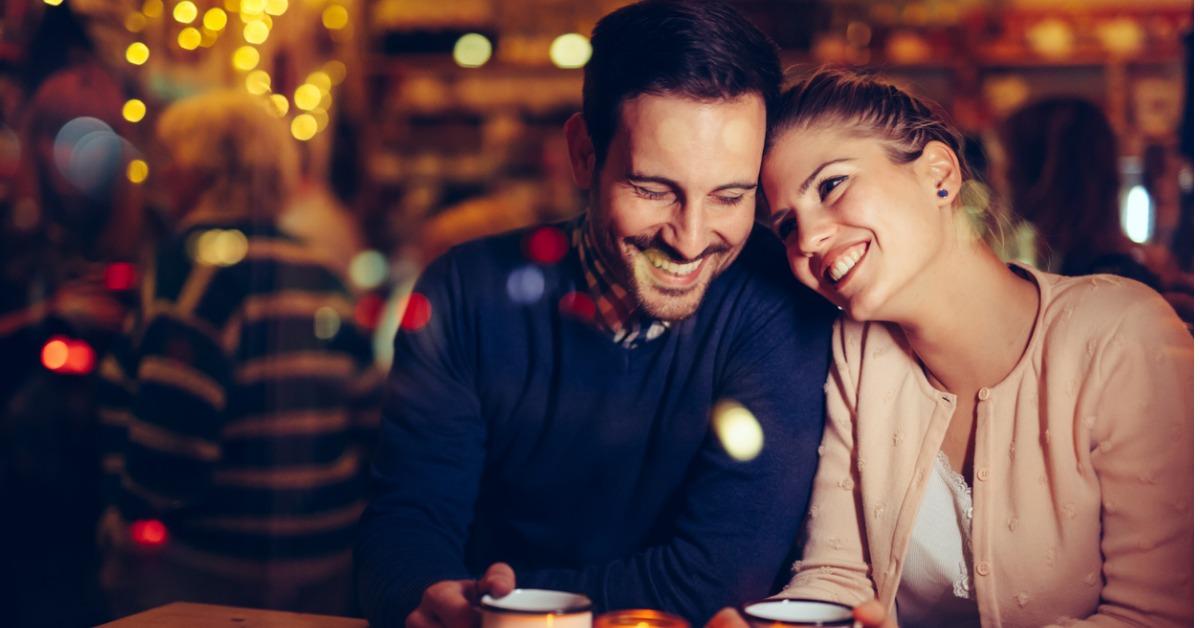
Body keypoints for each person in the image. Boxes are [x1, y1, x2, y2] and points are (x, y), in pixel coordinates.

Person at [356, 2, 836, 626]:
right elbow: (405, 521)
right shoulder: (463, 291)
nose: (691, 239)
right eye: (654, 189)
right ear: (584, 153)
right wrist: (425, 594)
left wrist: (504, 604)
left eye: (729, 195)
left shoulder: (780, 306)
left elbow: (717, 580)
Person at [711, 67, 1193, 627]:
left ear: (940, 175)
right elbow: (837, 574)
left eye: (831, 185)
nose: (810, 238)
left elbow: (1157, 616)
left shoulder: (1121, 333)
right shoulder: (857, 349)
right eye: (787, 224)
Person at [97, 91, 382, 617]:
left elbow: (173, 440)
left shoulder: (196, 265)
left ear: (204, 170)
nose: (162, 177)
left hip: (214, 573)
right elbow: (370, 414)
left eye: (171, 161)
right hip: (325, 561)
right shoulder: (321, 271)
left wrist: (129, 523)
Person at [998, 97, 1163, 288]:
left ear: (1046, 176)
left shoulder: (1098, 278)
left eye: (1009, 163)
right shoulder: (1104, 265)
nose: (1002, 177)